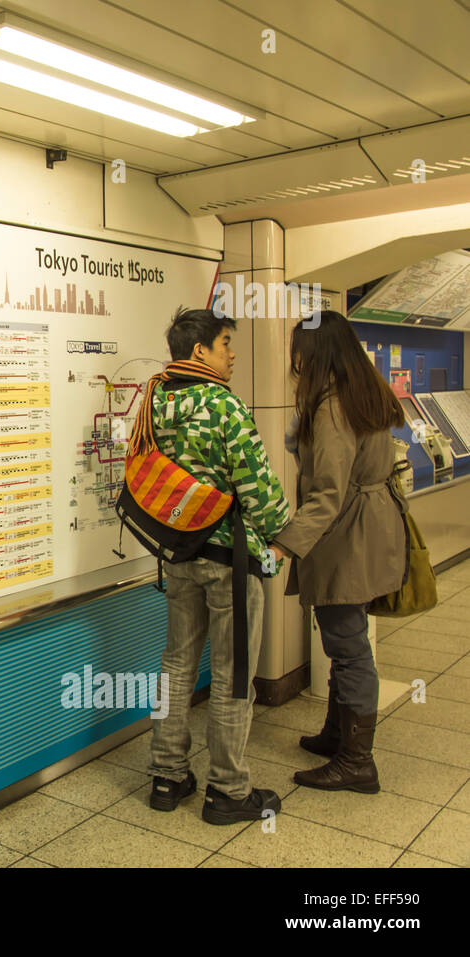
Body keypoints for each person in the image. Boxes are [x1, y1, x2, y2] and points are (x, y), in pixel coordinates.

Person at [146, 308, 290, 825]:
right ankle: (227, 790)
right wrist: (284, 533)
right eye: (225, 343)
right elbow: (259, 490)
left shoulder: (155, 402)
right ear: (200, 350)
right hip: (230, 558)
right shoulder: (223, 404)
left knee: (176, 664)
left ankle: (167, 776)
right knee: (233, 675)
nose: (232, 354)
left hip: (179, 553)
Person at [267, 311, 405, 794]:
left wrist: (283, 544)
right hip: (371, 528)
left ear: (316, 354)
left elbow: (327, 493)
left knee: (347, 647)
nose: (296, 363)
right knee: (344, 637)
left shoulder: (331, 407)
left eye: (299, 353)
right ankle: (336, 734)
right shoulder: (365, 390)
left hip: (348, 535)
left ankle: (356, 761)